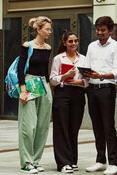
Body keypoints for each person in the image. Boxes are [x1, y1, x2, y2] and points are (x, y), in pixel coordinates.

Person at [84, 16, 117, 175]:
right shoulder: (91, 46)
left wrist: (100, 76)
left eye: (102, 30)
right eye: (97, 30)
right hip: (92, 89)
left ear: (110, 30)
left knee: (108, 126)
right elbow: (87, 65)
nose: (99, 33)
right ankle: (100, 160)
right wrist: (85, 73)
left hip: (106, 88)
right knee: (96, 126)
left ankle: (114, 162)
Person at [17, 16, 53, 174]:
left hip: (44, 84)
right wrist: (23, 90)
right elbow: (20, 68)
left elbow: (46, 69)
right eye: (47, 29)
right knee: (28, 125)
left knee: (42, 126)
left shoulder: (48, 48)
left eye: (50, 29)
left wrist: (49, 88)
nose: (49, 32)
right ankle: (26, 162)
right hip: (29, 83)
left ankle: (36, 160)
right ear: (38, 30)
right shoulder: (27, 45)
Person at [50, 30, 88, 173]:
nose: (73, 43)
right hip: (62, 94)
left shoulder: (83, 59)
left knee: (74, 128)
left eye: (76, 41)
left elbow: (88, 79)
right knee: (61, 128)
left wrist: (80, 81)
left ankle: (72, 160)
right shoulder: (59, 58)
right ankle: (63, 163)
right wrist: (65, 76)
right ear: (65, 43)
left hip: (78, 94)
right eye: (70, 41)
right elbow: (52, 79)